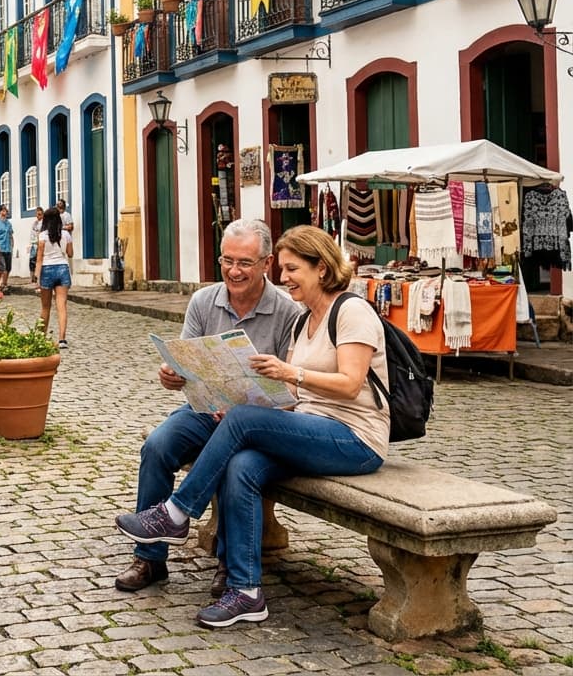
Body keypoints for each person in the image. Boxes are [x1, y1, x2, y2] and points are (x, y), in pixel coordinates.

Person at [115, 224, 388, 628]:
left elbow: (349, 384)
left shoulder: (352, 311)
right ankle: (245, 591)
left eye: (294, 269)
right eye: (285, 269)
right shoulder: (305, 320)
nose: (285, 277)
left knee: (241, 421)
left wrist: (286, 374)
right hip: (303, 426)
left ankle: (176, 513)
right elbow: (289, 395)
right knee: (240, 464)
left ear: (323, 270)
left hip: (353, 437)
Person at [113, 219, 300, 597]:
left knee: (235, 465)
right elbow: (187, 362)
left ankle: (227, 565)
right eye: (227, 260)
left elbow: (291, 390)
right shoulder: (204, 301)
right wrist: (172, 375)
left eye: (245, 263)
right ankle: (149, 557)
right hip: (205, 410)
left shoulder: (286, 311)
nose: (234, 271)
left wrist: (249, 407)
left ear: (266, 264)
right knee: (157, 446)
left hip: (256, 421)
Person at [35, 207, 72, 347]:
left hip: (47, 269)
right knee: (61, 306)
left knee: (45, 307)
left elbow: (39, 259)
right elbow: (70, 253)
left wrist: (37, 278)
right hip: (62, 268)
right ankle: (62, 339)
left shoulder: (42, 236)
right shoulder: (66, 235)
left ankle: (40, 337)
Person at [28, 206, 44, 285]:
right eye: (37, 214)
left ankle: (38, 277)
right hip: (33, 244)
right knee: (32, 261)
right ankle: (32, 277)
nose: (38, 216)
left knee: (38, 261)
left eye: (40, 214)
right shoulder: (35, 223)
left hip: (39, 243)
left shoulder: (44, 223)